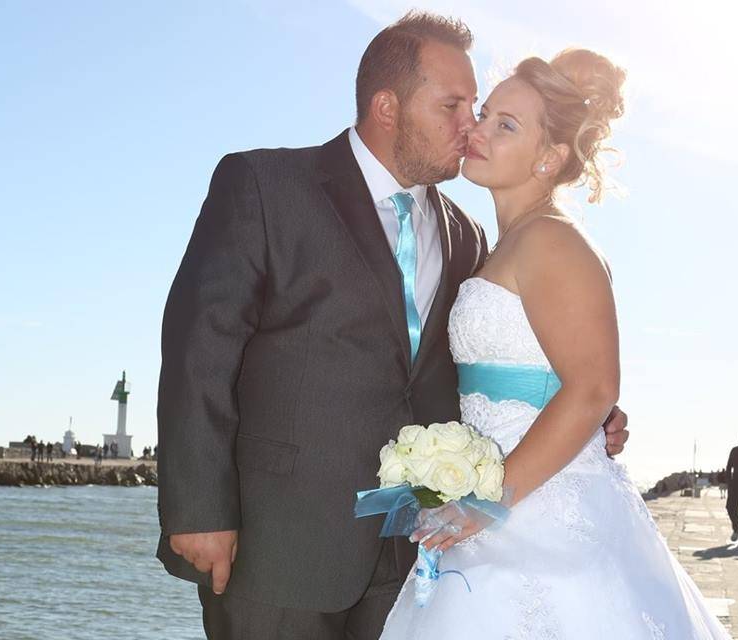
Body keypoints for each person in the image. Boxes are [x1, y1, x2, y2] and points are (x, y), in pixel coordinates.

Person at [156, 12, 631, 640]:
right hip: (278, 547)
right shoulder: (266, 186)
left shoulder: (469, 236)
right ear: (388, 106)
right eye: (456, 105)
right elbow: (198, 353)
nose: (471, 125)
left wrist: (583, 415)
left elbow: (478, 368)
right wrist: (198, 511)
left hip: (413, 555)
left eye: (483, 111)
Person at [379, 48, 728, 639]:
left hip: (535, 510)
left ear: (551, 157)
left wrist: (484, 503)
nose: (478, 130)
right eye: (485, 114)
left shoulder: (551, 242)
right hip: (495, 500)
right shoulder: (499, 245)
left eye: (504, 125)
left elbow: (593, 386)